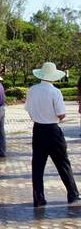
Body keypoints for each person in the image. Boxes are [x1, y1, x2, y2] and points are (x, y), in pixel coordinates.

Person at [25, 62, 80, 207]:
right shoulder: (55, 92)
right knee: (63, 164)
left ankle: (39, 199)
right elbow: (61, 114)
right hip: (53, 130)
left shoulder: (32, 90)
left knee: (37, 166)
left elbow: (28, 110)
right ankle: (73, 194)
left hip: (37, 130)